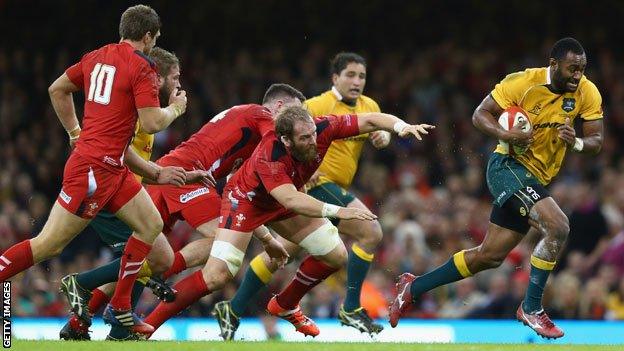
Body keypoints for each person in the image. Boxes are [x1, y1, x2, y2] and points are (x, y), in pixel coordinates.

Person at [138, 106, 433, 339]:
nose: (312, 141)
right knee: (217, 277)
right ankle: (148, 327)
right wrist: (340, 212)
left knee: (335, 255)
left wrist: (399, 126)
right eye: (304, 138)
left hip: (282, 201)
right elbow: (291, 200)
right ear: (286, 140)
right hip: (247, 202)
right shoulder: (270, 156)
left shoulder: (321, 127)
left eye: (312, 133)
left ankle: (285, 304)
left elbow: (368, 121)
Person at [389, 37, 603, 339]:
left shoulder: (586, 92)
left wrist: (578, 142)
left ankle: (414, 287)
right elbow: (480, 114)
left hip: (537, 179)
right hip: (508, 168)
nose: (577, 76)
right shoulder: (522, 83)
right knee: (558, 226)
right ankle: (531, 308)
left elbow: (596, 140)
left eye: (582, 69)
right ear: (553, 64)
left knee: (488, 256)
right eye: (572, 69)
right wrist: (506, 134)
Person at [58, 83, 304, 339]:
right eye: (293, 114)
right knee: (219, 240)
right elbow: (273, 145)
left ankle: (82, 324)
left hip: (172, 173)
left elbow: (239, 196)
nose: (293, 124)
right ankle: (94, 281)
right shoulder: (261, 116)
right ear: (277, 107)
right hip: (187, 175)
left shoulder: (248, 134)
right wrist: (268, 236)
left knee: (145, 258)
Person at [0, 4, 188, 336]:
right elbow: (151, 121)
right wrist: (175, 108)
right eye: (155, 38)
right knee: (48, 245)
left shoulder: (97, 56)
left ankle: (119, 305)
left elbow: (57, 89)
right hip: (92, 170)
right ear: (147, 36)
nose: (153, 42)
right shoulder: (141, 66)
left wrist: (75, 132)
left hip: (114, 168)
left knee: (151, 226)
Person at [214, 52, 390, 339]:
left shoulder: (370, 105)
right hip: (316, 185)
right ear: (335, 78)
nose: (356, 81)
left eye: (362, 76)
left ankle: (235, 308)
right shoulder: (317, 105)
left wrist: (386, 136)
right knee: (371, 231)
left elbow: (375, 127)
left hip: (329, 187)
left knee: (283, 252)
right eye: (350, 75)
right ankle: (351, 306)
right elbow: (282, 134)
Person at [58, 47, 200, 341]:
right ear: (157, 78)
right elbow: (118, 149)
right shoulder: (137, 106)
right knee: (155, 256)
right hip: (109, 191)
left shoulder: (147, 109)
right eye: (175, 78)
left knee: (136, 258)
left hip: (121, 190)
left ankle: (85, 326)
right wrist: (175, 111)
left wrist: (167, 174)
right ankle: (83, 286)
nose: (178, 85)